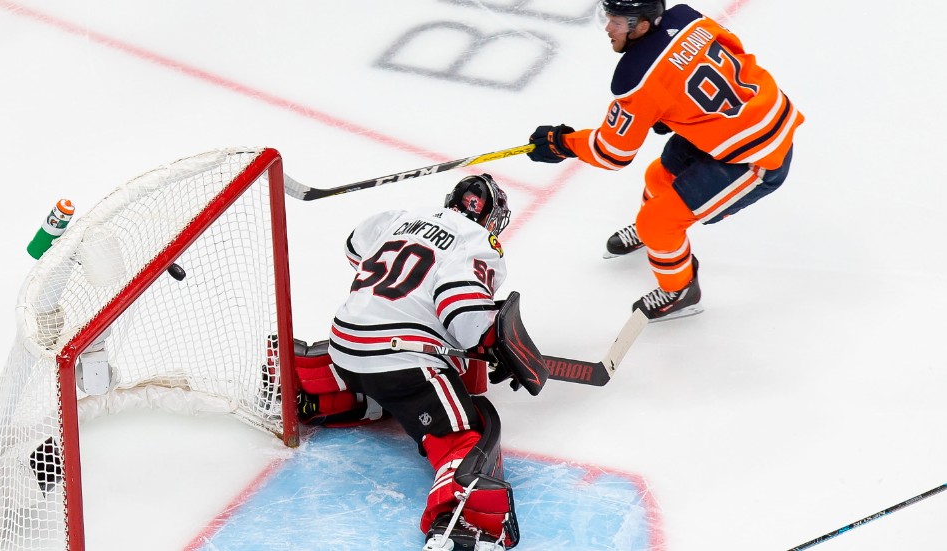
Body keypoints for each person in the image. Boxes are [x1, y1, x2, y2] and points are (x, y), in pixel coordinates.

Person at [526, 0, 803, 321]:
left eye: (617, 21)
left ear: (642, 25)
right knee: (659, 177)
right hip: (744, 118)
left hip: (757, 156)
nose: (607, 28)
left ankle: (681, 291)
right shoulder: (687, 18)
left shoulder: (637, 75)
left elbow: (612, 151)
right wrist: (676, 103)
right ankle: (656, 241)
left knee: (657, 222)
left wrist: (561, 144)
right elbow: (733, 49)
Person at [324, 173, 548, 551]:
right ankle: (463, 520)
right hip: (401, 358)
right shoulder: (478, 240)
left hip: (343, 344)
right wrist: (492, 341)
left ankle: (312, 390)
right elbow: (466, 318)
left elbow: (353, 247)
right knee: (466, 429)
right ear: (492, 220)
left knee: (378, 380)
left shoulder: (402, 215)